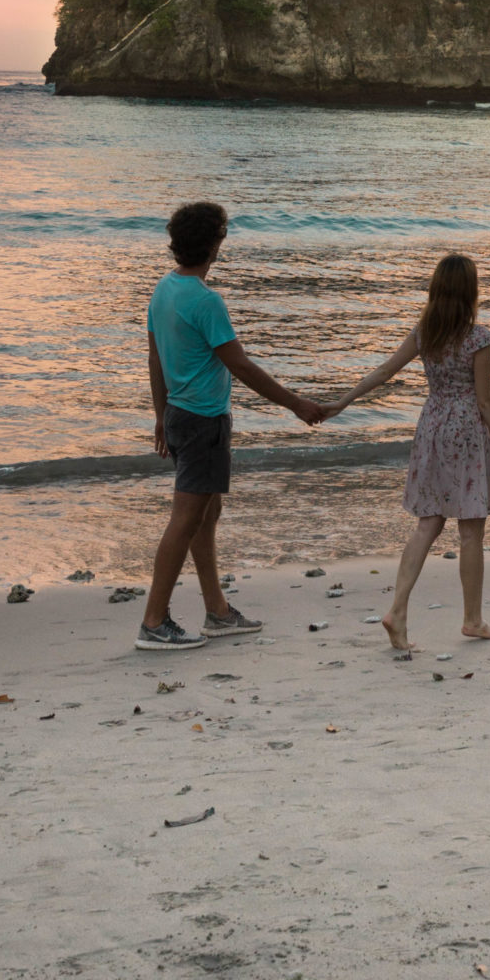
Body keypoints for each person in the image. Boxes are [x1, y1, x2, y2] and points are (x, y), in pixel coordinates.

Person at [138, 199, 324, 651]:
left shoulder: (164, 289)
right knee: (185, 520)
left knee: (206, 515)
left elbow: (155, 355)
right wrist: (296, 403)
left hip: (181, 416)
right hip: (202, 422)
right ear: (214, 245)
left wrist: (160, 414)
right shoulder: (205, 301)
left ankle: (217, 611)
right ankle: (153, 622)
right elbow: (239, 365)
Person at [323, 252, 490, 653]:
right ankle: (472, 620)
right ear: (471, 291)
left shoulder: (426, 332)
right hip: (465, 432)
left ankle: (398, 611)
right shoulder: (479, 338)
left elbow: (385, 371)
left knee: (429, 522)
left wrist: (343, 401)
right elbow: (485, 400)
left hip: (431, 426)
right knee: (471, 528)